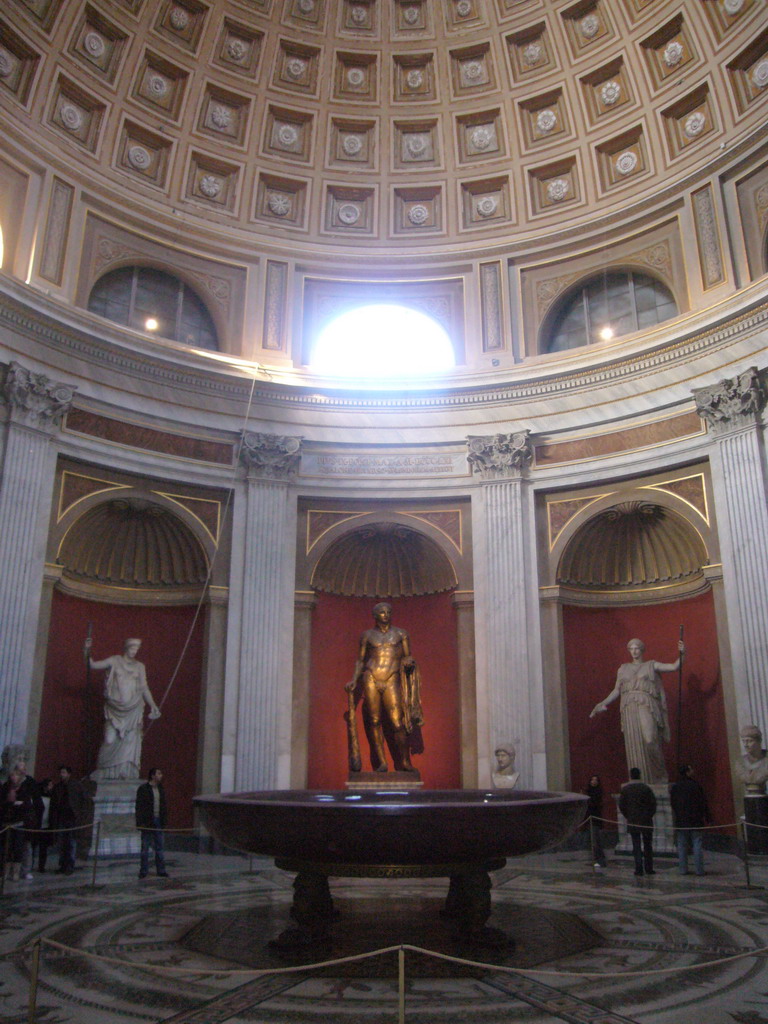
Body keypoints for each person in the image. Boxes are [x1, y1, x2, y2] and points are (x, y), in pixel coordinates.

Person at [589, 637, 685, 785]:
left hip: (646, 704)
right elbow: (617, 690)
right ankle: (638, 780)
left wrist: (682, 654)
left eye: (636, 648)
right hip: (628, 707)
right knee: (634, 745)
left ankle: (659, 776)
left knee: (650, 739)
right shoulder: (623, 668)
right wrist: (602, 703)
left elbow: (673, 667)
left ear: (642, 650)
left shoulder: (651, 665)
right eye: (631, 649)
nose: (634, 651)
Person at [346, 602, 424, 773]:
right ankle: (381, 762)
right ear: (375, 615)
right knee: (374, 721)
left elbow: (407, 656)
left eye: (388, 612)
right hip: (371, 677)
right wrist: (354, 680)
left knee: (397, 722)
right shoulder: (366, 635)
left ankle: (404, 761)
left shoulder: (401, 633)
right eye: (382, 612)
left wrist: (409, 663)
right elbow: (360, 660)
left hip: (391, 677)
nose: (386, 614)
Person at [85, 636, 161, 780]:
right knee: (109, 739)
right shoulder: (115, 661)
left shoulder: (140, 666)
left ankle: (125, 771)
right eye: (132, 648)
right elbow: (92, 665)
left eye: (137, 649)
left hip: (133, 708)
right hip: (115, 708)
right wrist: (87, 650)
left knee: (129, 742)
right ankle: (104, 770)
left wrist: (153, 705)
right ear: (126, 648)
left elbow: (144, 687)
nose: (134, 651)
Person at [670, 764, 710, 876]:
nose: (693, 770)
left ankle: (683, 869)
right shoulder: (695, 785)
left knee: (682, 845)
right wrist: (707, 817)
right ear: (687, 772)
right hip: (695, 819)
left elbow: (673, 804)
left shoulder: (675, 787)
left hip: (681, 820)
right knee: (697, 844)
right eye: (691, 769)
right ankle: (699, 870)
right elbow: (702, 802)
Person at [619, 767, 657, 876]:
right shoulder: (646, 788)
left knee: (636, 845)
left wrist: (628, 816)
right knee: (648, 845)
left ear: (630, 776)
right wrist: (649, 815)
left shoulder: (626, 790)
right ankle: (649, 868)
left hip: (633, 820)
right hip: (646, 820)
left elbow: (622, 805)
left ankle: (638, 868)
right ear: (640, 775)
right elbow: (653, 804)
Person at [49, 766, 87, 875]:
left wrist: (79, 814)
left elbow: (84, 800)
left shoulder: (76, 785)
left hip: (72, 818)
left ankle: (70, 865)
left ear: (69, 774)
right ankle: (62, 864)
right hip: (61, 817)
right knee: (62, 843)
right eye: (61, 772)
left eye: (64, 772)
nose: (62, 774)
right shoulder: (58, 787)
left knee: (71, 842)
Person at [1, 768, 36, 881]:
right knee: (6, 848)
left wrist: (18, 805)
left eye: (16, 775)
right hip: (6, 822)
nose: (14, 777)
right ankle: (5, 872)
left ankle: (15, 872)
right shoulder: (5, 788)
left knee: (17, 848)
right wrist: (11, 804)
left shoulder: (24, 790)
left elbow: (27, 806)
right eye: (12, 775)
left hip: (19, 823)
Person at [135, 768, 168, 879]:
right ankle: (143, 870)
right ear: (153, 776)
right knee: (145, 847)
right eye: (159, 773)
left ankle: (161, 870)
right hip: (147, 821)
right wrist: (140, 823)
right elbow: (139, 807)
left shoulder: (161, 789)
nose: (161, 775)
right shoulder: (143, 789)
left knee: (159, 847)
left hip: (158, 820)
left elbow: (163, 806)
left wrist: (164, 820)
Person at [734, 724, 768, 793]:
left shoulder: (766, 759)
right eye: (743, 741)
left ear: (759, 741)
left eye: (749, 741)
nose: (746, 745)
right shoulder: (740, 762)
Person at [584, 774, 606, 872]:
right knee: (593, 840)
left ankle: (600, 859)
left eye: (595, 780)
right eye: (592, 780)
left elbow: (597, 805)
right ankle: (597, 859)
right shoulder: (587, 792)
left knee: (596, 841)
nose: (593, 781)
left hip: (596, 818)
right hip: (590, 818)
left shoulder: (598, 792)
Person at [33, 778, 54, 872]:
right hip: (37, 825)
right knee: (33, 846)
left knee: (43, 848)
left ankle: (41, 866)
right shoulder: (38, 796)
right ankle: (31, 865)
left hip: (46, 825)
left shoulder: (52, 797)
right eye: (50, 785)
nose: (51, 787)